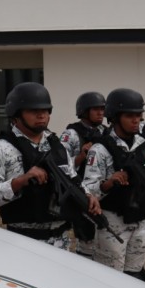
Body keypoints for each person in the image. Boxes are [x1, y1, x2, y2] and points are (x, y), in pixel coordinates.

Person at [0, 82, 101, 249]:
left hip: (61, 240)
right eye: (33, 111)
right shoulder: (1, 149)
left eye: (45, 110)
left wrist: (88, 195)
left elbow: (71, 177)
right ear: (16, 114)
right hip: (24, 243)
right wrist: (19, 182)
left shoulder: (56, 144)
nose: (41, 115)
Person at [82, 88, 145, 282]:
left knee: (134, 276)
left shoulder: (143, 144)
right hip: (114, 222)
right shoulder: (100, 149)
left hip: (142, 219)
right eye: (129, 116)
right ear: (114, 117)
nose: (136, 120)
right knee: (109, 280)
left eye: (138, 115)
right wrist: (108, 183)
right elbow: (88, 189)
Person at [60, 91, 107, 259]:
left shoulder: (105, 132)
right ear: (84, 111)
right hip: (81, 193)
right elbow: (60, 167)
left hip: (102, 191)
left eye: (102, 109)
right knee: (86, 239)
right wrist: (81, 156)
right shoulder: (71, 134)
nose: (100, 113)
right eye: (96, 109)